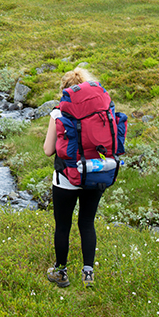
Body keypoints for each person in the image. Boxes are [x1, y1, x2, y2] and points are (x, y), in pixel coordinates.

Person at [43, 67, 104, 288]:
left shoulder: (58, 112)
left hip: (66, 177)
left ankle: (61, 272)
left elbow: (48, 150)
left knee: (63, 225)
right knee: (87, 223)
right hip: (96, 173)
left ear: (64, 89)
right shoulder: (99, 110)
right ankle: (88, 273)